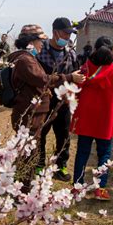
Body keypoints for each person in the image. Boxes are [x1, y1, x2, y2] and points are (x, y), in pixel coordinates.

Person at [8, 24, 84, 189]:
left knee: (32, 148)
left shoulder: (30, 58)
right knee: (29, 151)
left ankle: (23, 185)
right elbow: (43, 80)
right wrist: (69, 77)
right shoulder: (25, 60)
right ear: (30, 41)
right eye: (39, 41)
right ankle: (22, 188)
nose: (42, 44)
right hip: (29, 113)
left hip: (39, 110)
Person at [71, 36, 113, 200]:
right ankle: (100, 189)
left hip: (86, 117)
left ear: (95, 48)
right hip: (105, 119)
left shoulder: (85, 68)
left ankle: (77, 187)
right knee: (104, 153)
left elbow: (76, 90)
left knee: (82, 152)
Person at [36, 17, 80, 182]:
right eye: (65, 33)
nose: (68, 37)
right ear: (55, 32)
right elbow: (39, 78)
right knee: (40, 134)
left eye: (70, 34)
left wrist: (70, 94)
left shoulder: (70, 53)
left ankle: (60, 165)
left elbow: (76, 77)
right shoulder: (41, 52)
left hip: (64, 102)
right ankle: (38, 165)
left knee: (63, 135)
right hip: (44, 101)